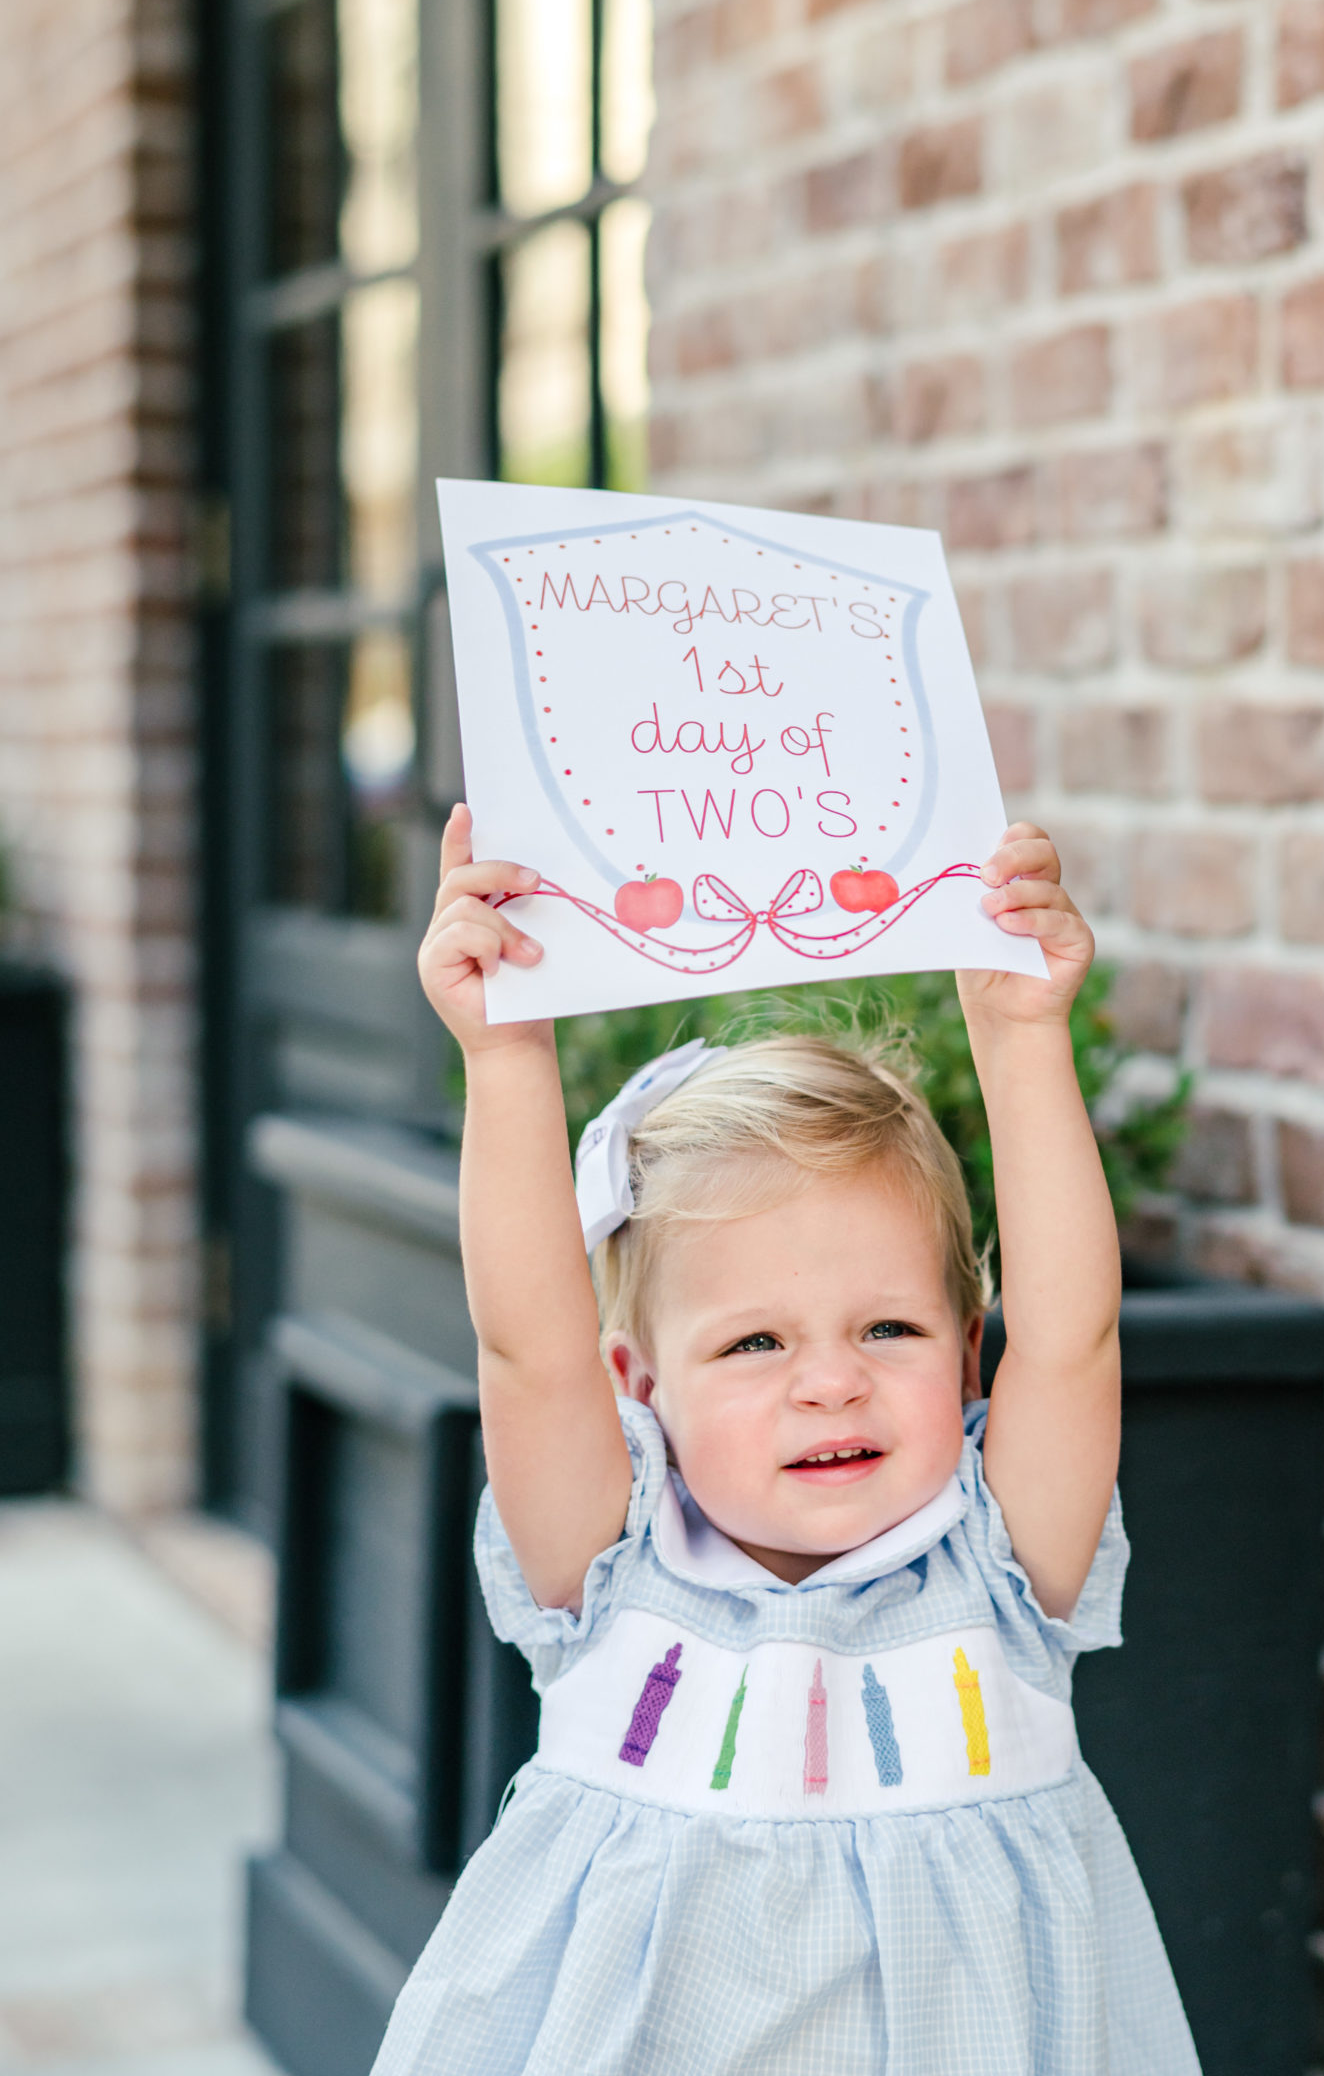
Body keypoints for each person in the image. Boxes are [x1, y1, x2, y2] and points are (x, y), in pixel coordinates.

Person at [376, 798, 1202, 2076]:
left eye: (886, 1328)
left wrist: (1020, 1034)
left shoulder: (1000, 1570)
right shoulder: (614, 1570)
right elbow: (526, 1351)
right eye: (754, 1344)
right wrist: (506, 1061)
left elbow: (1072, 1339)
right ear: (635, 1384)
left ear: (968, 1345)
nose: (830, 1384)